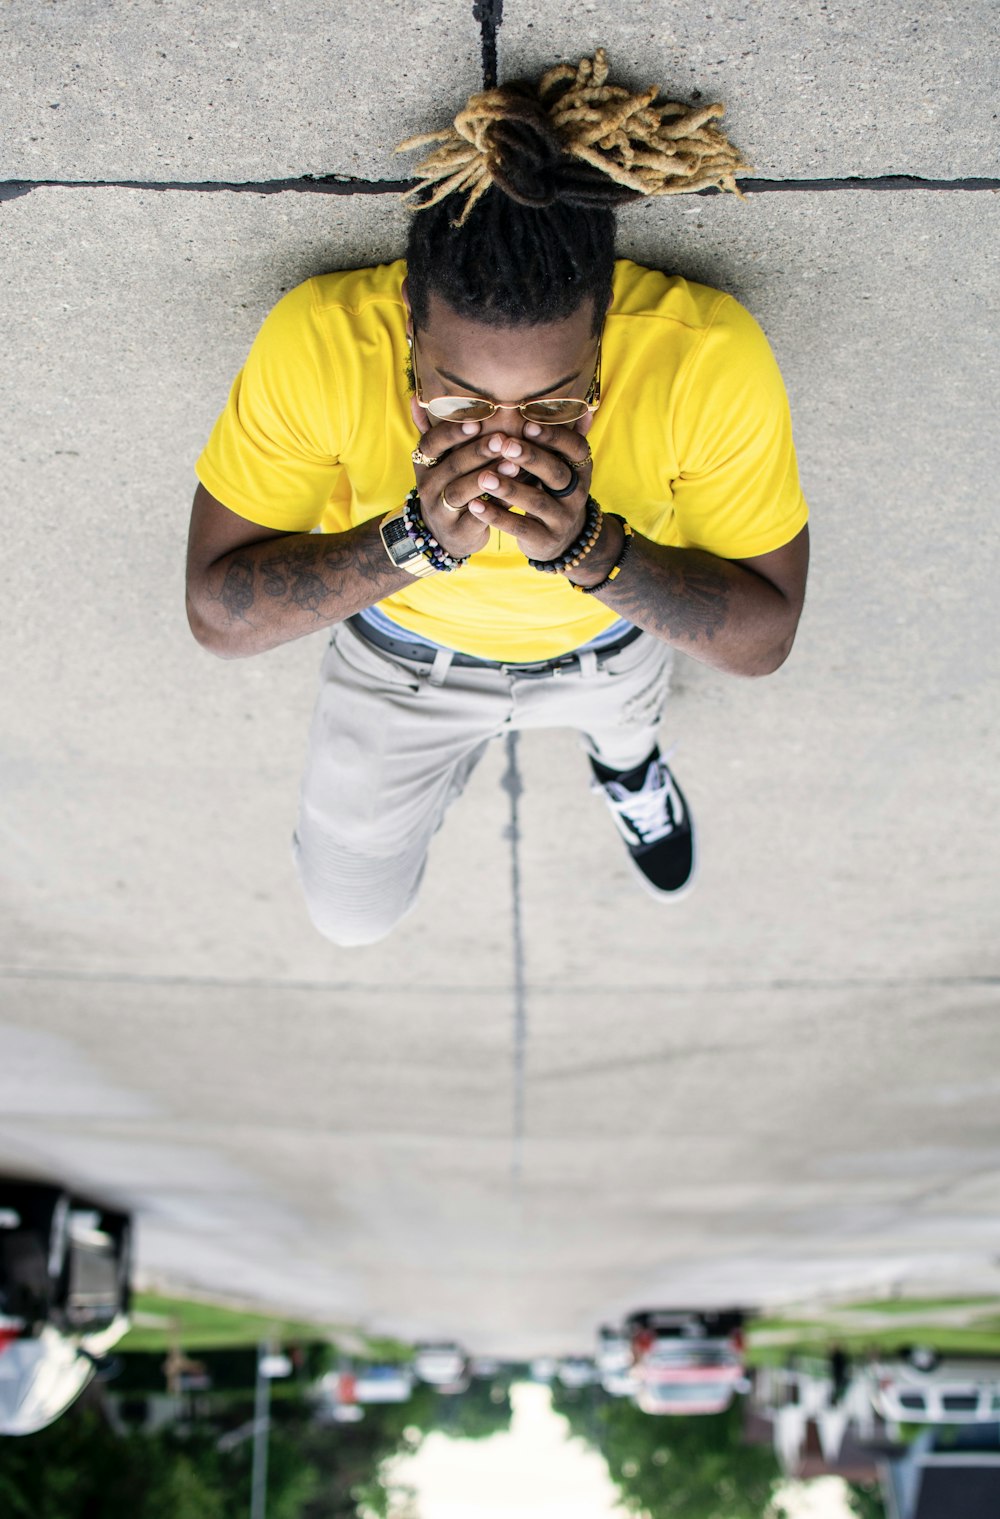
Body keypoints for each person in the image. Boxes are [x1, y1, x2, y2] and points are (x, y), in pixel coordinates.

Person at [186, 50, 809, 947]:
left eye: (556, 398)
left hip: (609, 647)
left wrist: (592, 550)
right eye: (463, 398)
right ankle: (517, 748)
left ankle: (627, 762)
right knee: (349, 916)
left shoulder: (706, 356)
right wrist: (408, 540)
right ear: (409, 320)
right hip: (402, 659)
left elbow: (765, 638)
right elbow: (215, 614)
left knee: (626, 718)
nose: (505, 440)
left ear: (604, 325)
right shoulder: (318, 339)